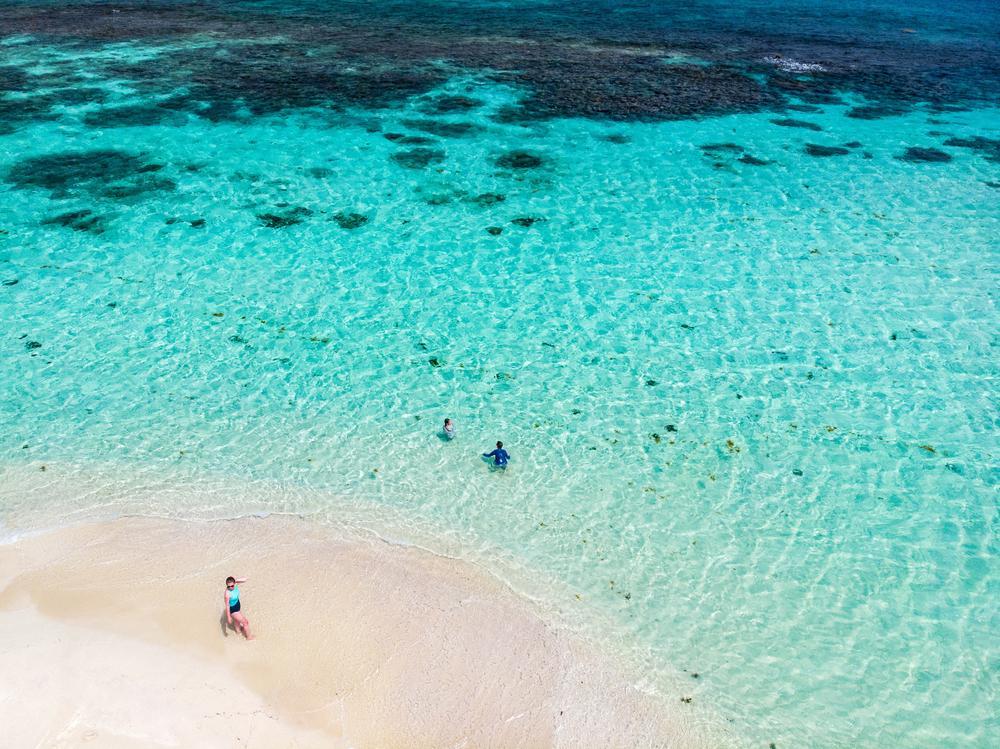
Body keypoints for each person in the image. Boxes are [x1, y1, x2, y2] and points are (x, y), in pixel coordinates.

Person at [225, 575, 254, 640]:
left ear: (234, 583)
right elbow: (227, 605)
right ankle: (249, 637)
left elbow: (244, 580)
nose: (230, 588)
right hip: (233, 610)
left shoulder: (235, 584)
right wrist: (228, 617)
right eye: (228, 586)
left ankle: (238, 632)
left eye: (232, 586)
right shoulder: (227, 594)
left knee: (236, 621)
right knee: (245, 622)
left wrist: (237, 579)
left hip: (237, 605)